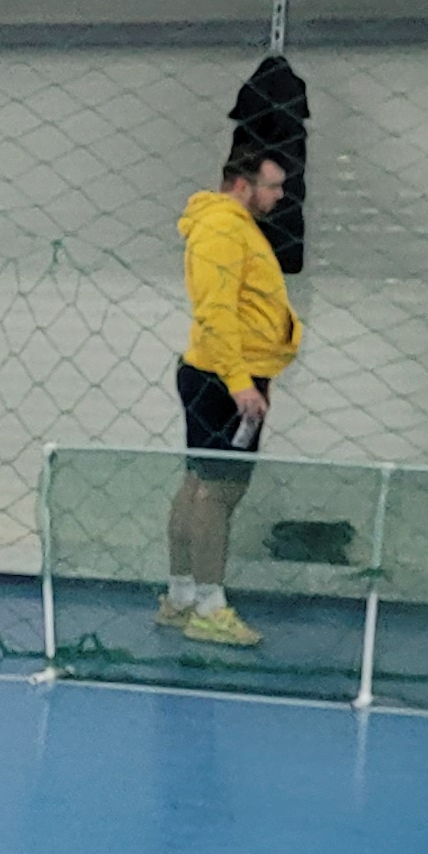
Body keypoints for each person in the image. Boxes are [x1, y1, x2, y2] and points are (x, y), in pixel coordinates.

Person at [163, 149, 300, 647]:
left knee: (198, 483)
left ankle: (181, 596)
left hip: (222, 373)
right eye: (272, 186)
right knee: (218, 493)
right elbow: (215, 309)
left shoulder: (232, 227)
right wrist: (240, 381)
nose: (280, 195)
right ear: (242, 185)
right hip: (226, 378)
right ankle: (209, 606)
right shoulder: (222, 227)